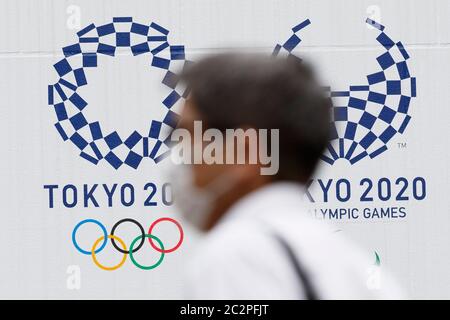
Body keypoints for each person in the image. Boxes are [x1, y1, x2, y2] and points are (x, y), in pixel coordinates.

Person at [171, 53, 404, 299]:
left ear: (245, 149)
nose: (182, 156)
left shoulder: (237, 257)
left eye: (189, 135)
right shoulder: (356, 269)